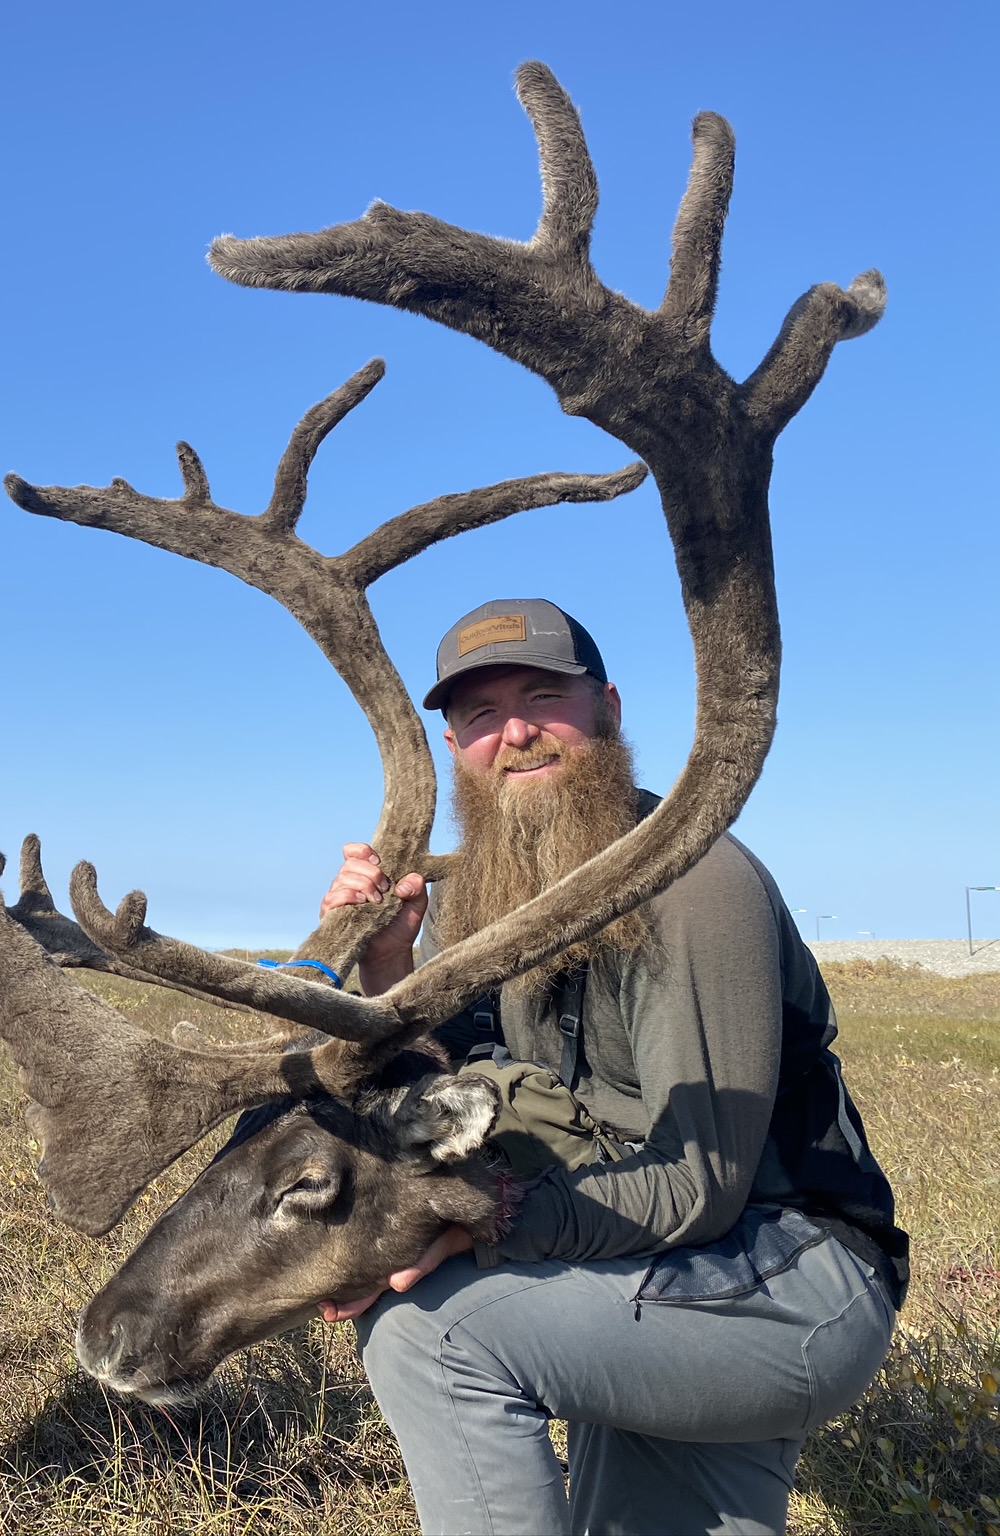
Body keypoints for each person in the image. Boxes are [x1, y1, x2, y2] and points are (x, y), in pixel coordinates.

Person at [318, 599, 905, 1536]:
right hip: (662, 1258)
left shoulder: (692, 881)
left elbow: (698, 1181)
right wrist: (390, 971)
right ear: (452, 742)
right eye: (478, 716)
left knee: (433, 1332)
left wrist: (485, 1226)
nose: (513, 734)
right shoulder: (494, 898)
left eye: (544, 697)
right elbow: (460, 1088)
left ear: (610, 710)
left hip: (786, 1274)